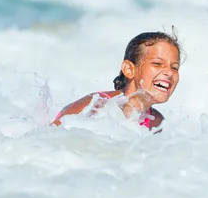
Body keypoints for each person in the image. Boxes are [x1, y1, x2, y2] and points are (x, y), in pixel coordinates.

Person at [51, 30, 182, 130]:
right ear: (129, 69)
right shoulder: (95, 105)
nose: (169, 72)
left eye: (174, 67)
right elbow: (46, 141)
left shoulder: (156, 123)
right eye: (157, 64)